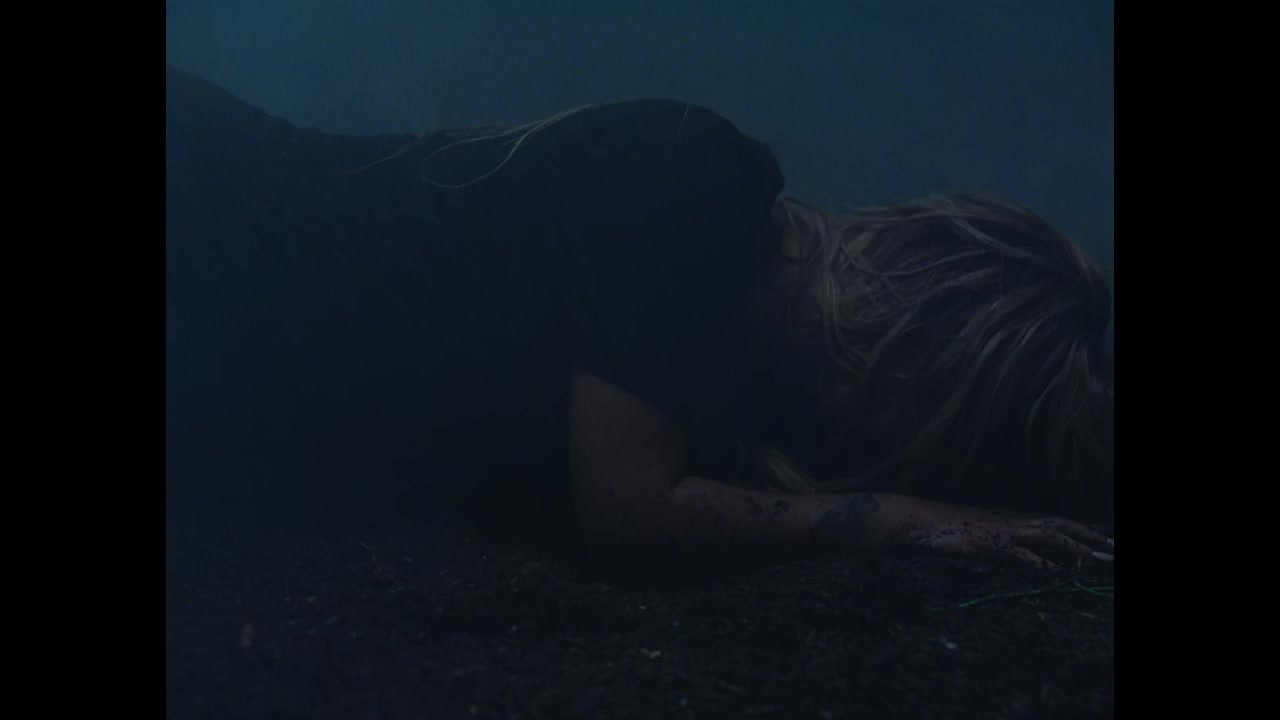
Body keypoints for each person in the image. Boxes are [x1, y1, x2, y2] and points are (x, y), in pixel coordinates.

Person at [165, 66, 1113, 571]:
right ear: (919, 323)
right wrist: (900, 523)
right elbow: (629, 511)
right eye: (934, 409)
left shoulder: (712, 390)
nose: (894, 444)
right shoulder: (698, 179)